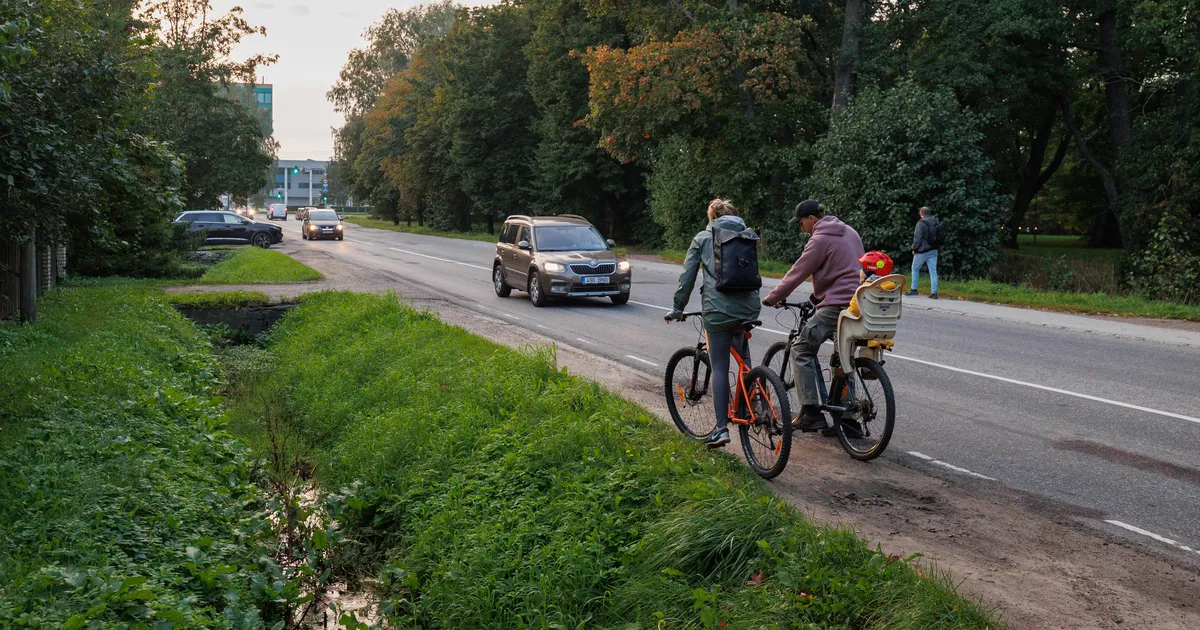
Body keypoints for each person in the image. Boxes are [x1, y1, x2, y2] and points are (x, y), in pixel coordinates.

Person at [762, 200, 864, 435]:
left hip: (836, 306)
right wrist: (815, 299)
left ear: (812, 219)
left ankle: (811, 412)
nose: (801, 228)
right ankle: (849, 420)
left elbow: (797, 273)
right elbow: (844, 271)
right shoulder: (850, 232)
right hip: (858, 305)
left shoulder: (819, 240)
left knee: (801, 349)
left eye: (801, 223)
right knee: (843, 360)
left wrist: (772, 297)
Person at [666, 199, 762, 448]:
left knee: (719, 366)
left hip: (718, 311)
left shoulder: (703, 238)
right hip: (749, 308)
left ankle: (721, 429)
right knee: (742, 357)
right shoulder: (747, 236)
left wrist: (678, 308)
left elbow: (687, 276)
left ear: (712, 218)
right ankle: (755, 401)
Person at [908, 206, 940, 299]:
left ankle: (914, 289)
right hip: (933, 250)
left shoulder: (920, 223)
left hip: (922, 251)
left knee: (915, 268)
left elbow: (917, 238)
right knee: (933, 271)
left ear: (921, 214)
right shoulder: (935, 221)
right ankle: (934, 293)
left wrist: (914, 248)